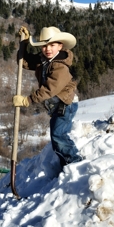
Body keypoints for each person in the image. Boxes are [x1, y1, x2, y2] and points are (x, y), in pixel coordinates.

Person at [13, 26, 82, 168]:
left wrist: (28, 100)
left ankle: (76, 164)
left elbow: (50, 89)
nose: (48, 49)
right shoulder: (44, 60)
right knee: (57, 136)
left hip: (66, 104)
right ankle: (66, 165)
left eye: (52, 45)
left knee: (59, 136)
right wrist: (24, 44)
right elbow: (24, 62)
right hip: (57, 105)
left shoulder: (60, 66)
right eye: (44, 46)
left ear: (60, 46)